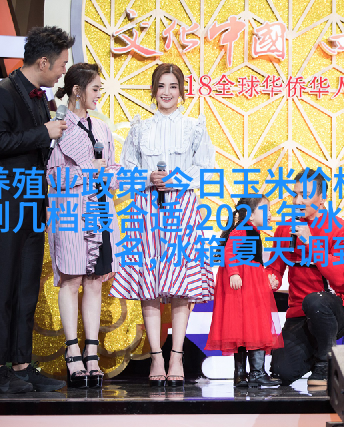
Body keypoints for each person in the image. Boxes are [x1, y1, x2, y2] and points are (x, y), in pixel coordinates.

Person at [0, 26, 73, 394]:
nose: (63, 71)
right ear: (43, 62)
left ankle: (22, 364)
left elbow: (38, 152)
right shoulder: (0, 94)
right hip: (2, 205)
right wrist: (44, 133)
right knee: (1, 285)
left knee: (26, 287)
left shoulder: (39, 98)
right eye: (61, 64)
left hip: (30, 204)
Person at [110, 63, 215, 387]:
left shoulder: (194, 127)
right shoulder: (140, 128)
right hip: (147, 211)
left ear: (181, 91)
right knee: (149, 285)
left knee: (183, 286)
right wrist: (148, 178)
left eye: (173, 86)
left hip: (182, 210)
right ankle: (156, 355)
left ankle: (176, 356)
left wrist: (176, 179)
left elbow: (207, 169)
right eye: (161, 86)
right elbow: (124, 174)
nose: (167, 92)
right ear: (153, 90)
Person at [48, 63, 120, 388]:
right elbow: (52, 176)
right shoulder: (59, 127)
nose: (99, 94)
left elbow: (112, 168)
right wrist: (88, 172)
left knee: (94, 281)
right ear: (77, 90)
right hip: (70, 213)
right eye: (95, 89)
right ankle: (72, 351)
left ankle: (92, 353)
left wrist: (108, 174)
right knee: (71, 278)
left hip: (99, 211)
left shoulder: (102, 128)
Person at [268, 169, 344, 387]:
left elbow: (338, 278)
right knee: (281, 370)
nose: (298, 201)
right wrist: (271, 279)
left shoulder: (339, 229)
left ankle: (326, 362)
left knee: (315, 301)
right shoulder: (285, 229)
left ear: (322, 198)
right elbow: (275, 268)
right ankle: (317, 353)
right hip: (299, 313)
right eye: (295, 194)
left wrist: (311, 242)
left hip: (335, 309)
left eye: (304, 195)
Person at [205, 196, 283, 387]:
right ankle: (256, 372)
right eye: (266, 209)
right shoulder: (243, 229)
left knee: (242, 328)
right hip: (245, 283)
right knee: (256, 325)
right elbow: (230, 251)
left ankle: (241, 374)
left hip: (249, 280)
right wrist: (233, 273)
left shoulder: (250, 230)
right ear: (251, 214)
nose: (270, 214)